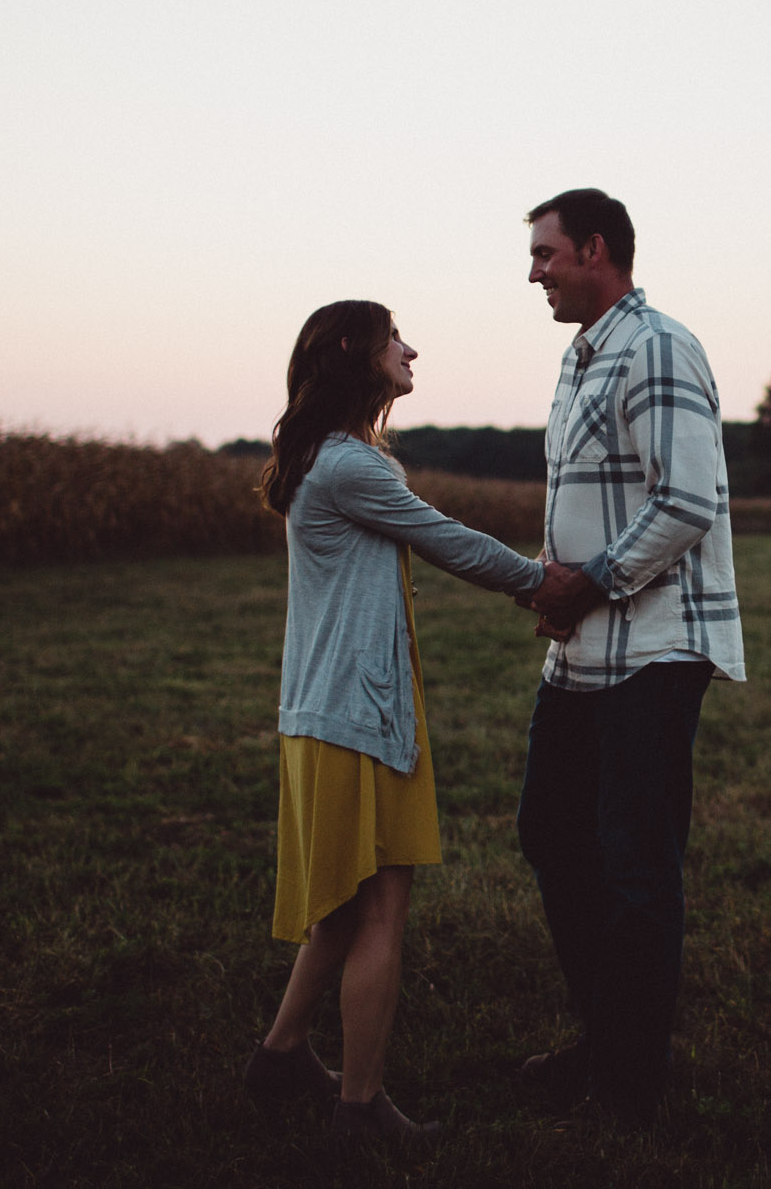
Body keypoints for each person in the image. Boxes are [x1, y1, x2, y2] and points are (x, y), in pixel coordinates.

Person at [240, 300, 546, 1143]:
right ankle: (359, 1108)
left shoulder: (320, 458)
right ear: (354, 353)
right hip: (357, 717)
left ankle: (280, 1056)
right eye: (394, 339)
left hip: (323, 711)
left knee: (342, 908)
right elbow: (451, 541)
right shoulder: (352, 467)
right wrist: (544, 581)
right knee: (378, 915)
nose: (411, 350)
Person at [513, 188, 747, 1127]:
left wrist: (591, 581)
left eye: (546, 254)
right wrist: (559, 579)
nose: (534, 272)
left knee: (634, 862)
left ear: (596, 249)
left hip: (653, 644)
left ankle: (628, 1084)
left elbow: (689, 498)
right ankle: (609, 1039)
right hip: (587, 646)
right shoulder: (580, 357)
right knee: (550, 831)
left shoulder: (657, 345)